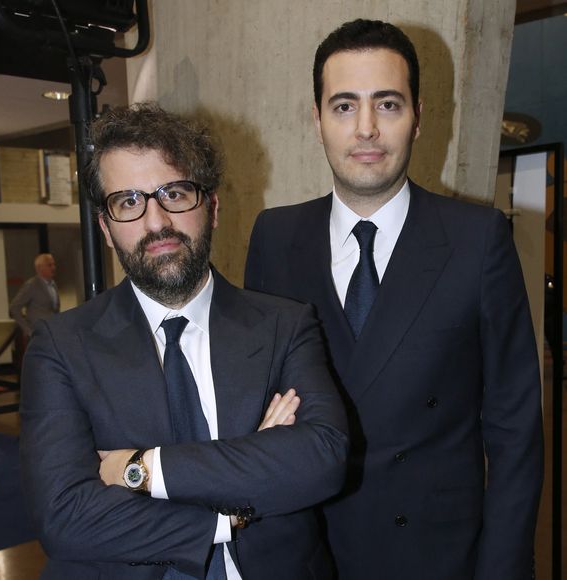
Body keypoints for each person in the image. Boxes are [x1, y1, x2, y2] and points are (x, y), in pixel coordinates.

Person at [245, 19, 543, 580]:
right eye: (343, 107)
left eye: (386, 105)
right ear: (316, 120)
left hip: (437, 557)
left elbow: (514, 432)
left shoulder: (476, 240)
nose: (365, 130)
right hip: (308, 552)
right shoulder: (275, 238)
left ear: (418, 117)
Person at [20, 103, 348, 580]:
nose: (156, 223)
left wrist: (140, 469)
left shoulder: (285, 325)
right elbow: (66, 516)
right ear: (105, 229)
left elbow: (321, 459)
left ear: (211, 208)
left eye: (174, 192)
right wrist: (235, 506)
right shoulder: (61, 346)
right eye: (128, 201)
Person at [9, 253, 60, 338]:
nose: (53, 268)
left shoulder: (53, 285)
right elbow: (14, 308)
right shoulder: (32, 285)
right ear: (39, 268)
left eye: (54, 264)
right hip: (39, 333)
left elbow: (55, 309)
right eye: (49, 265)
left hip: (52, 332)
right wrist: (28, 330)